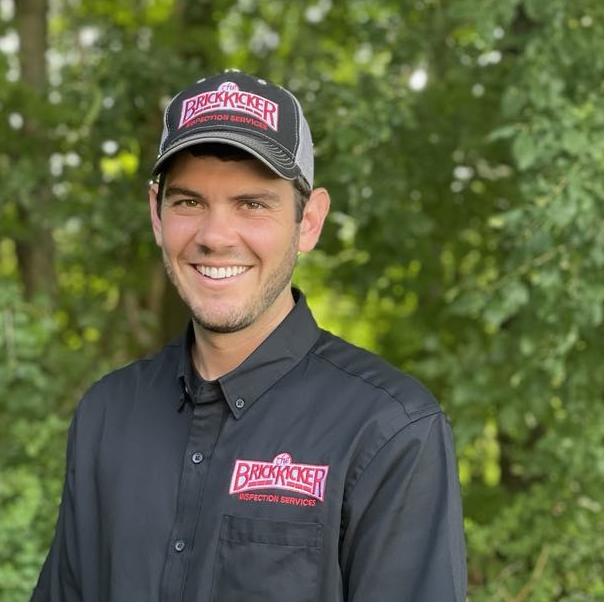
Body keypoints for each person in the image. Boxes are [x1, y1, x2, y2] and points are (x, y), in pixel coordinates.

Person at [30, 70, 467, 601]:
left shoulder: (390, 431)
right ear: (156, 213)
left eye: (253, 204)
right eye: (189, 202)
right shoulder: (108, 414)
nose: (215, 237)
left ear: (309, 221)